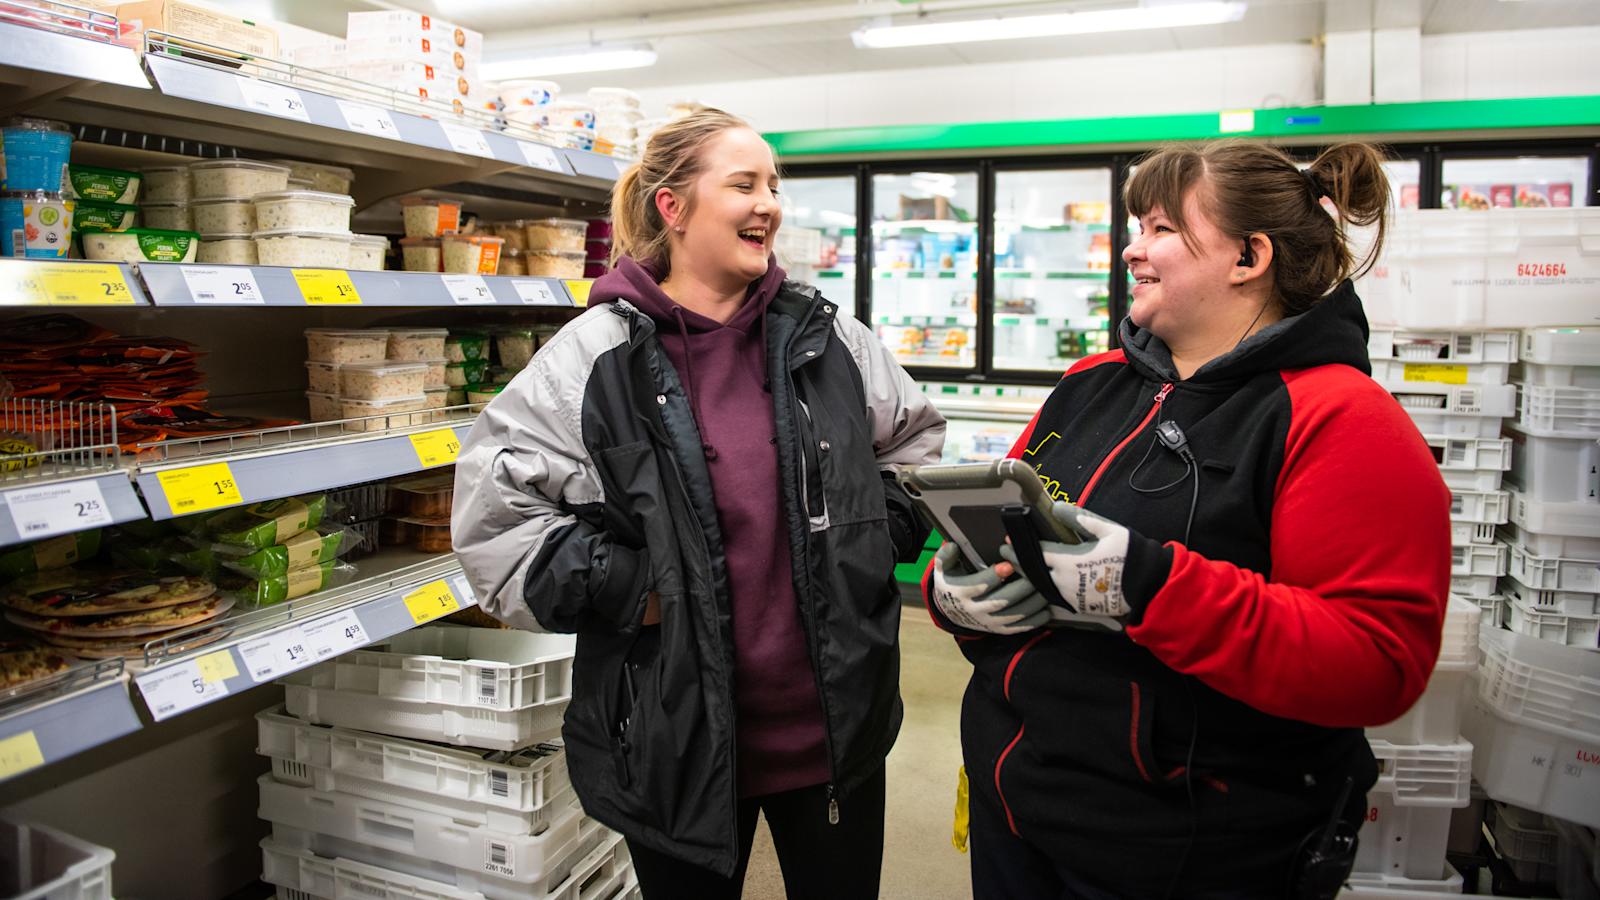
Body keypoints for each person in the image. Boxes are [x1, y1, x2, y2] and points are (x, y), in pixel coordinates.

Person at [925, 140, 1451, 899]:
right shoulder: (1089, 383)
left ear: (1249, 256)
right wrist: (957, 596)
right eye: (1136, 227)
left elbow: (1376, 663)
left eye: (1162, 229)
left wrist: (1146, 584)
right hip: (1018, 809)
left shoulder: (1342, 419)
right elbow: (1006, 534)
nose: (1132, 249)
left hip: (1188, 850)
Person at [452, 108, 945, 900]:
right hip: (675, 737)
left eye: (774, 186)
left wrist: (870, 540)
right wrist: (633, 589)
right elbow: (496, 519)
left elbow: (912, 444)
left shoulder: (829, 340)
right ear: (672, 207)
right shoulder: (594, 358)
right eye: (744, 184)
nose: (768, 205)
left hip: (835, 727)